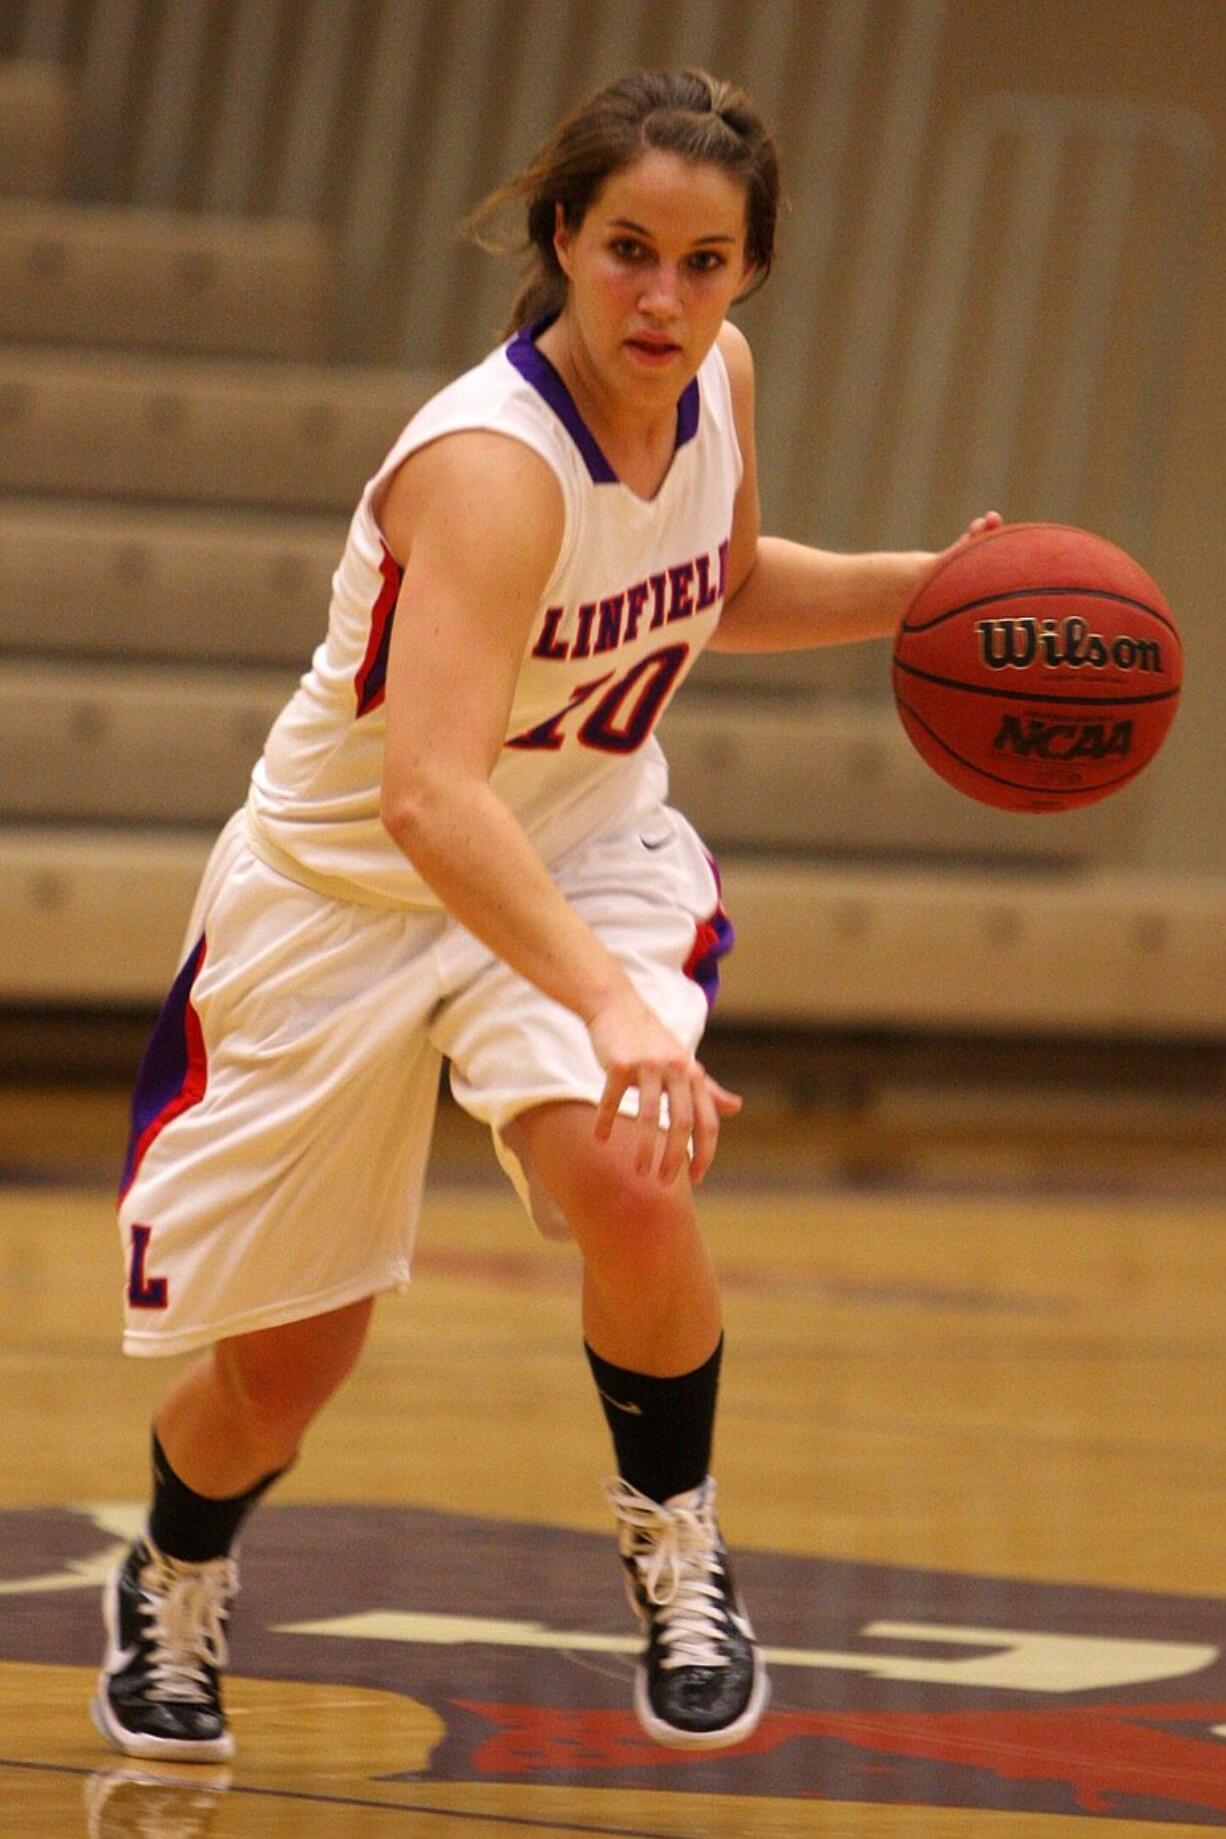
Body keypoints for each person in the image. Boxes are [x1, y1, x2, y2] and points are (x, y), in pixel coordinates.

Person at [93, 67, 1000, 1764]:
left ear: (747, 274)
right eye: (632, 252)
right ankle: (174, 1575)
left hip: (576, 846)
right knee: (283, 1374)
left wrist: (917, 592)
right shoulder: (490, 470)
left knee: (631, 1168)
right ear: (565, 239)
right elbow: (431, 799)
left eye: (707, 261)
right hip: (348, 893)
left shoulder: (716, 378)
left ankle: (676, 1550)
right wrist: (608, 1001)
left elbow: (709, 586)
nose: (666, 298)